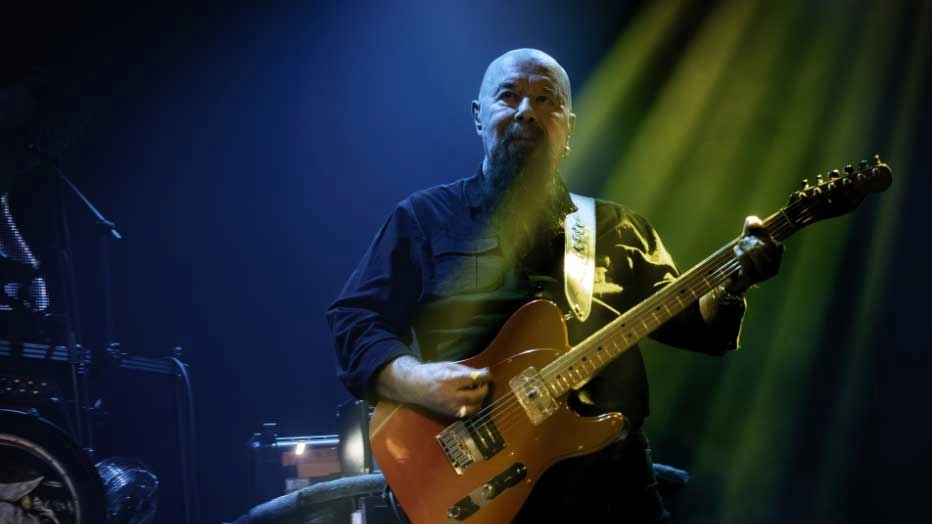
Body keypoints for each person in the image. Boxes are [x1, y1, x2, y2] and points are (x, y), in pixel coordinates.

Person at [326, 48, 783, 523]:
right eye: (509, 96)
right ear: (478, 117)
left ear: (569, 127)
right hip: (481, 485)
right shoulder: (423, 219)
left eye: (546, 99)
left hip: (611, 487)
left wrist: (733, 283)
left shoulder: (618, 229)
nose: (527, 110)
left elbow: (698, 327)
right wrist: (418, 381)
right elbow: (354, 320)